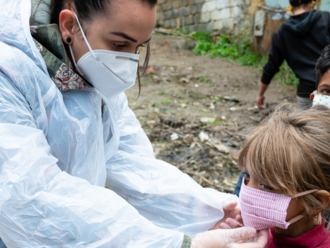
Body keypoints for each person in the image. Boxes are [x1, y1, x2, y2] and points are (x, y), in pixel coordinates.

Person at [0, 0, 269, 247]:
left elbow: (130, 162)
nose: (130, 62)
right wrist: (185, 245)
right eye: (119, 45)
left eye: (139, 47)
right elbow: (27, 198)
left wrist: (210, 208)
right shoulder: (10, 74)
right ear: (69, 25)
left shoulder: (89, 69)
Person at [221, 104, 330, 247]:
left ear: (316, 202)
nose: (248, 192)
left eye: (266, 186)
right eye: (246, 175)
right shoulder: (261, 231)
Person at [256, 0, 330, 110]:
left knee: (309, 126)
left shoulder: (281, 33)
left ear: (290, 5)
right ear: (313, 2)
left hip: (305, 93)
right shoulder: (325, 19)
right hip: (328, 90)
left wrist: (260, 94)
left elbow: (271, 67)